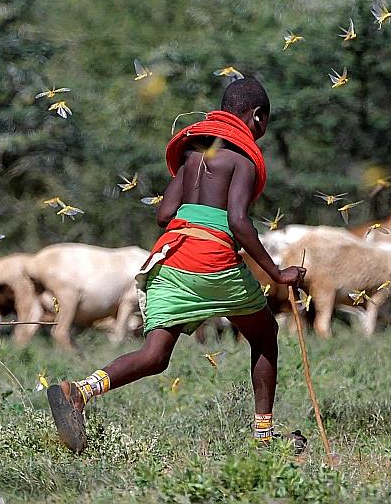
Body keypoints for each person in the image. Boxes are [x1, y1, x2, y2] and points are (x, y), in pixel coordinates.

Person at [47, 77, 306, 454]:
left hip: (172, 256)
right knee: (265, 336)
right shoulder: (243, 159)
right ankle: (264, 438)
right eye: (264, 124)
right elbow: (237, 220)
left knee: (154, 356)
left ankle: (80, 393)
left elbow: (165, 213)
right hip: (213, 260)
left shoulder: (193, 154)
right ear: (257, 118)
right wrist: (277, 274)